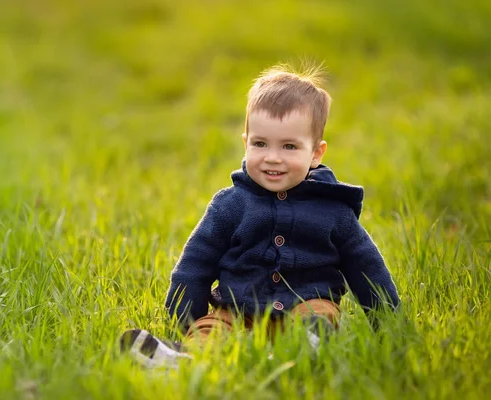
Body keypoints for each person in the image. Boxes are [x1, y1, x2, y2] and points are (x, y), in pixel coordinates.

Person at [120, 64, 400, 368]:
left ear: (316, 153)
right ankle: (184, 358)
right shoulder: (231, 205)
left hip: (305, 306)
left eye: (290, 146)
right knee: (212, 329)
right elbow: (195, 265)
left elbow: (368, 269)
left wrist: (390, 326)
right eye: (260, 143)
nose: (272, 157)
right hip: (237, 311)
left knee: (320, 315)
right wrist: (184, 321)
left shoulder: (333, 211)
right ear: (245, 143)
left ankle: (307, 351)